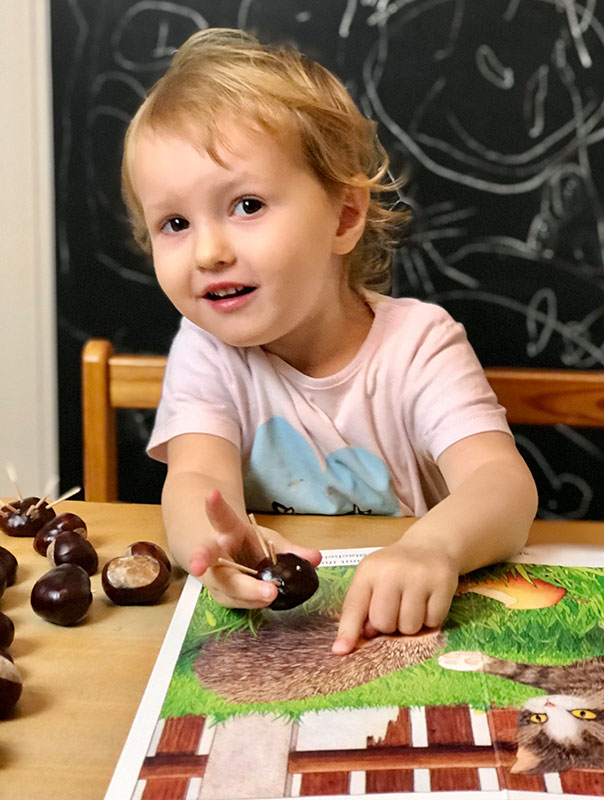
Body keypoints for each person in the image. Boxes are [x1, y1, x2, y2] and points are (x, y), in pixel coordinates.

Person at [121, 28, 538, 655]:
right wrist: (211, 550)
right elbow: (194, 479)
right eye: (175, 223)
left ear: (344, 215)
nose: (208, 251)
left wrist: (432, 546)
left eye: (247, 204)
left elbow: (504, 487)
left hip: (412, 624)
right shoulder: (206, 348)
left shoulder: (419, 344)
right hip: (288, 628)